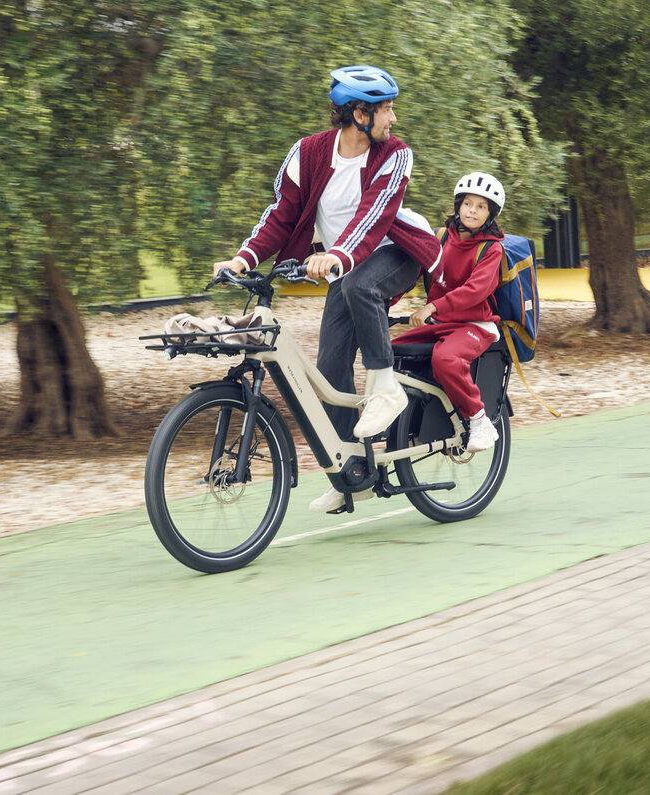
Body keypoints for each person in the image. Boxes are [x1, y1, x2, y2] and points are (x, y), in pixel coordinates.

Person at [214, 65, 440, 513]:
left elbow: (374, 215)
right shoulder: (309, 153)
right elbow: (281, 214)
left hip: (396, 252)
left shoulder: (396, 155)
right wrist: (243, 258)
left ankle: (385, 388)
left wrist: (337, 255)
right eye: (386, 110)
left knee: (359, 285)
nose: (393, 118)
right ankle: (349, 473)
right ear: (360, 114)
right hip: (347, 268)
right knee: (330, 370)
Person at [393, 172, 506, 452]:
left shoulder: (491, 249)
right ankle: (410, 422)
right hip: (441, 323)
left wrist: (433, 306)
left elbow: (474, 291)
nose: (472, 211)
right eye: (468, 203)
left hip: (475, 325)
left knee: (446, 359)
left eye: (481, 206)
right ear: (458, 205)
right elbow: (414, 271)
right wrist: (383, 302)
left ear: (490, 214)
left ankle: (479, 421)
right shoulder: (441, 237)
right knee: (388, 351)